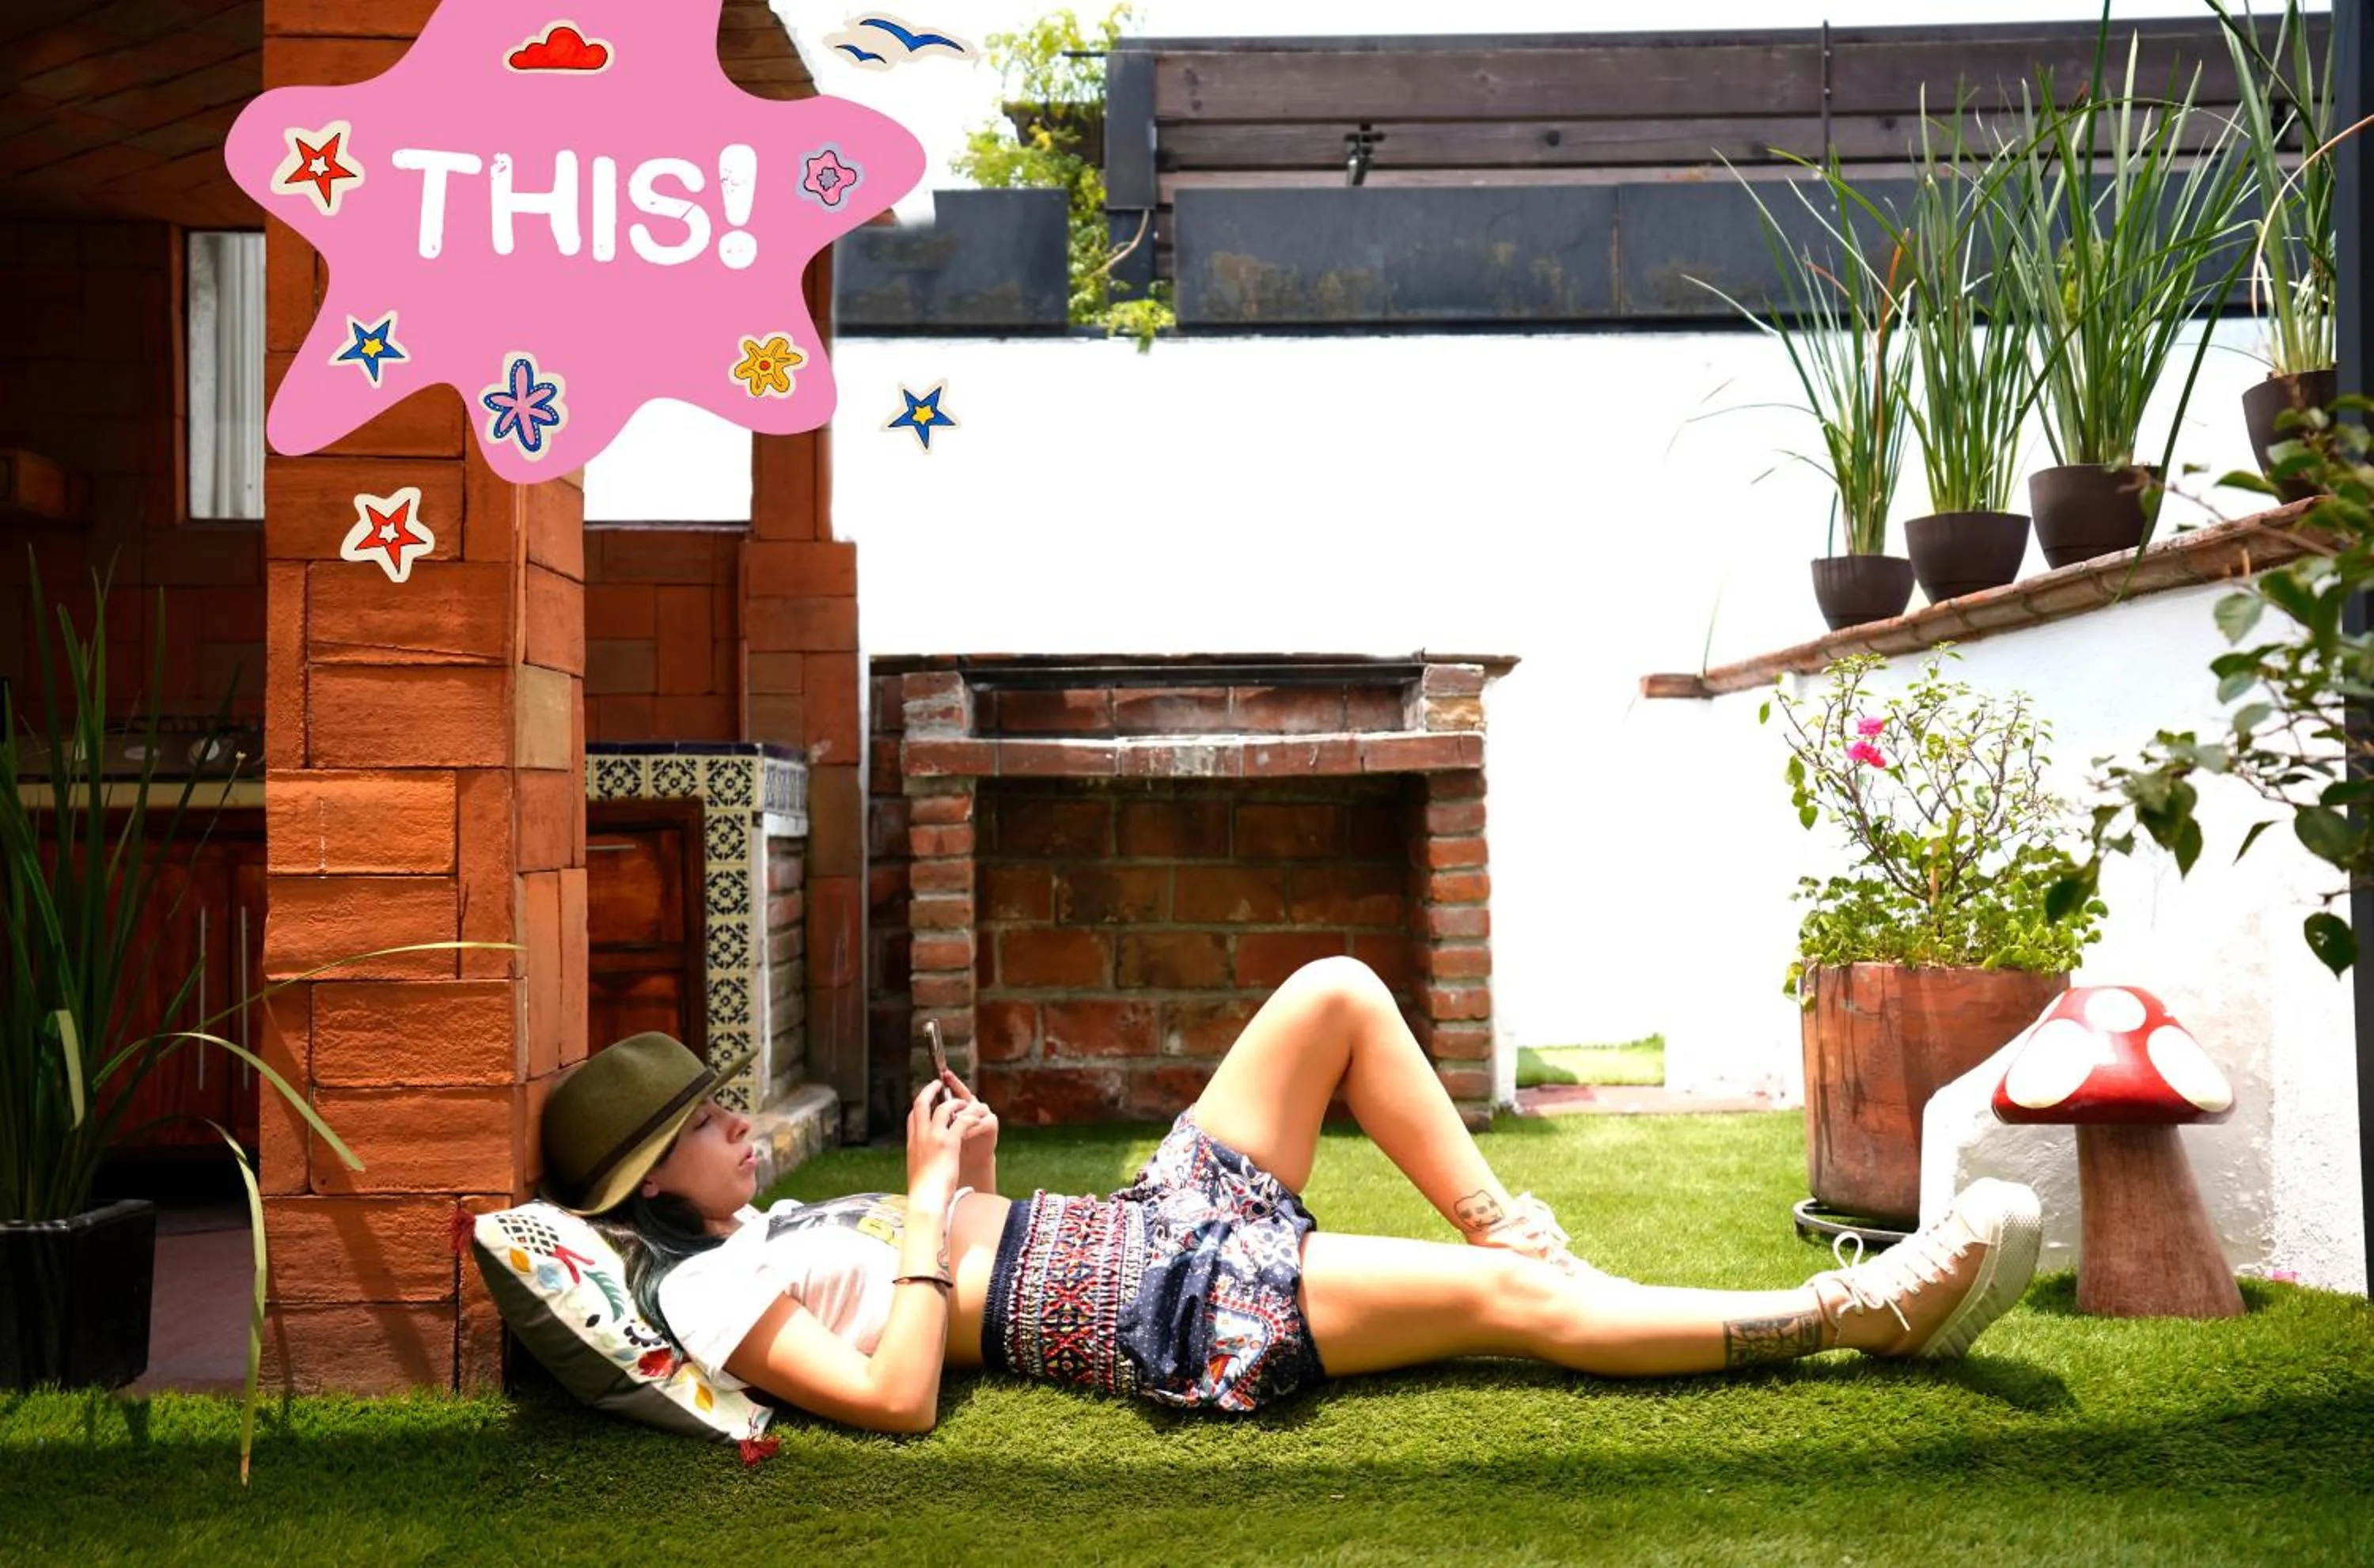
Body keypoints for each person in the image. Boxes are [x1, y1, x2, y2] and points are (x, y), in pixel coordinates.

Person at [540, 956, 2042, 1436]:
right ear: (644, 1177)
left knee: (1333, 990)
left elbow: (942, 1251)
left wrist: (973, 1174)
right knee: (1506, 1316)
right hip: (1143, 1302)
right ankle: (1853, 1311)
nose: (743, 1124)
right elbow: (893, 1399)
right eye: (709, 1120)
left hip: (1136, 1212)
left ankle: (1519, 1222)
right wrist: (931, 1206)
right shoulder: (703, 1289)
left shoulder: (762, 1231)